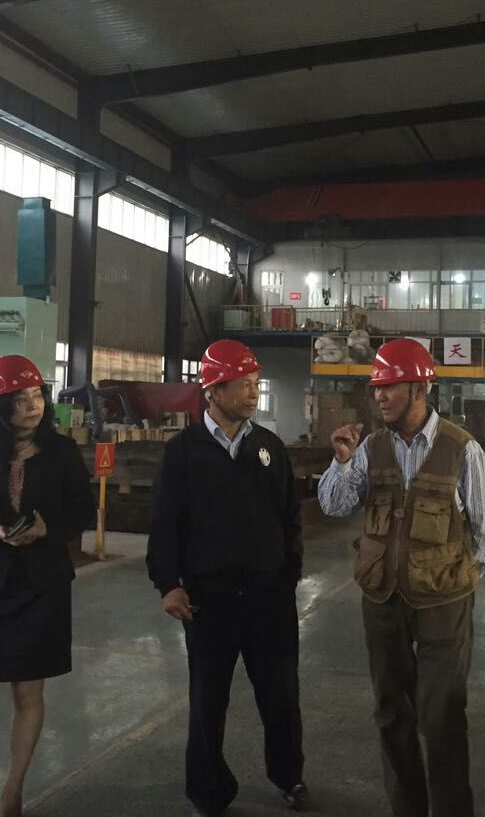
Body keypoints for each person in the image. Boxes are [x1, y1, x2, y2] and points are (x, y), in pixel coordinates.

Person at [318, 339, 485, 817]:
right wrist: (341, 461)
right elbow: (335, 505)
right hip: (383, 600)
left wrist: (459, 578)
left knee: (442, 715)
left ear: (420, 389)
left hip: (443, 604)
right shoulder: (370, 447)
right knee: (391, 713)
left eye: (390, 386)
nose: (379, 396)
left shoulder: (461, 448)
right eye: (376, 387)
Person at [147, 339, 309, 817]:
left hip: (268, 596)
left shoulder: (269, 448)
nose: (254, 392)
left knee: (280, 694)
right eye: (243, 384)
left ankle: (289, 776)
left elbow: (290, 520)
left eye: (256, 383)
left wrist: (287, 576)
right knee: (207, 699)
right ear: (213, 391)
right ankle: (208, 789)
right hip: (208, 598)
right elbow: (165, 524)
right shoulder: (183, 453)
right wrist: (168, 584)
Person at [0, 354, 94, 817]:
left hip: (42, 586)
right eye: (21, 399)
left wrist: (50, 529)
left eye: (37, 396)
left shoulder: (63, 453)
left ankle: (13, 789)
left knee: (28, 693)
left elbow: (83, 511)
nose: (34, 406)